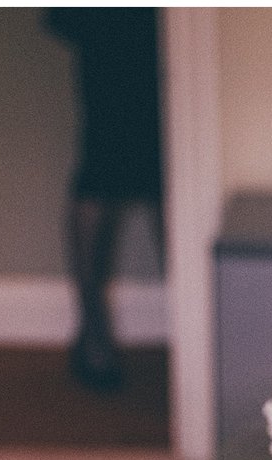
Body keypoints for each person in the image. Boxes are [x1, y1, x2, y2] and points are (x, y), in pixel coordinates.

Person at [46, 10, 163, 393]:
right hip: (105, 29)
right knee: (101, 167)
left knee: (166, 175)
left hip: (160, 29)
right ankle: (94, 329)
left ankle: (195, 325)